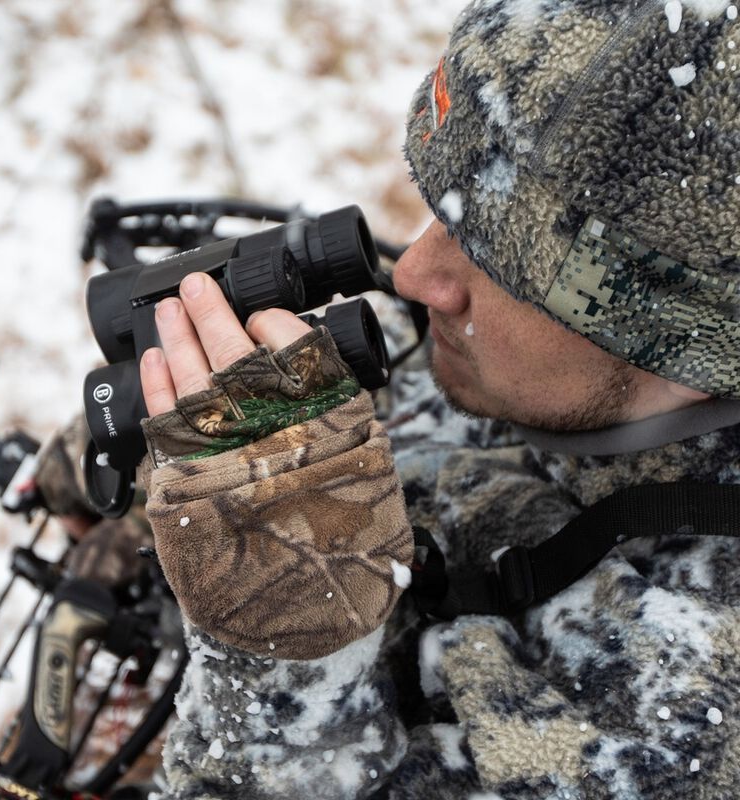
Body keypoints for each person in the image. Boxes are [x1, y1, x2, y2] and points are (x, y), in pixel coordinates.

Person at [136, 0, 740, 797]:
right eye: (446, 211)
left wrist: (286, 647)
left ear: (681, 340)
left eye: (503, 259)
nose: (417, 274)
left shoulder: (690, 715)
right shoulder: (526, 360)